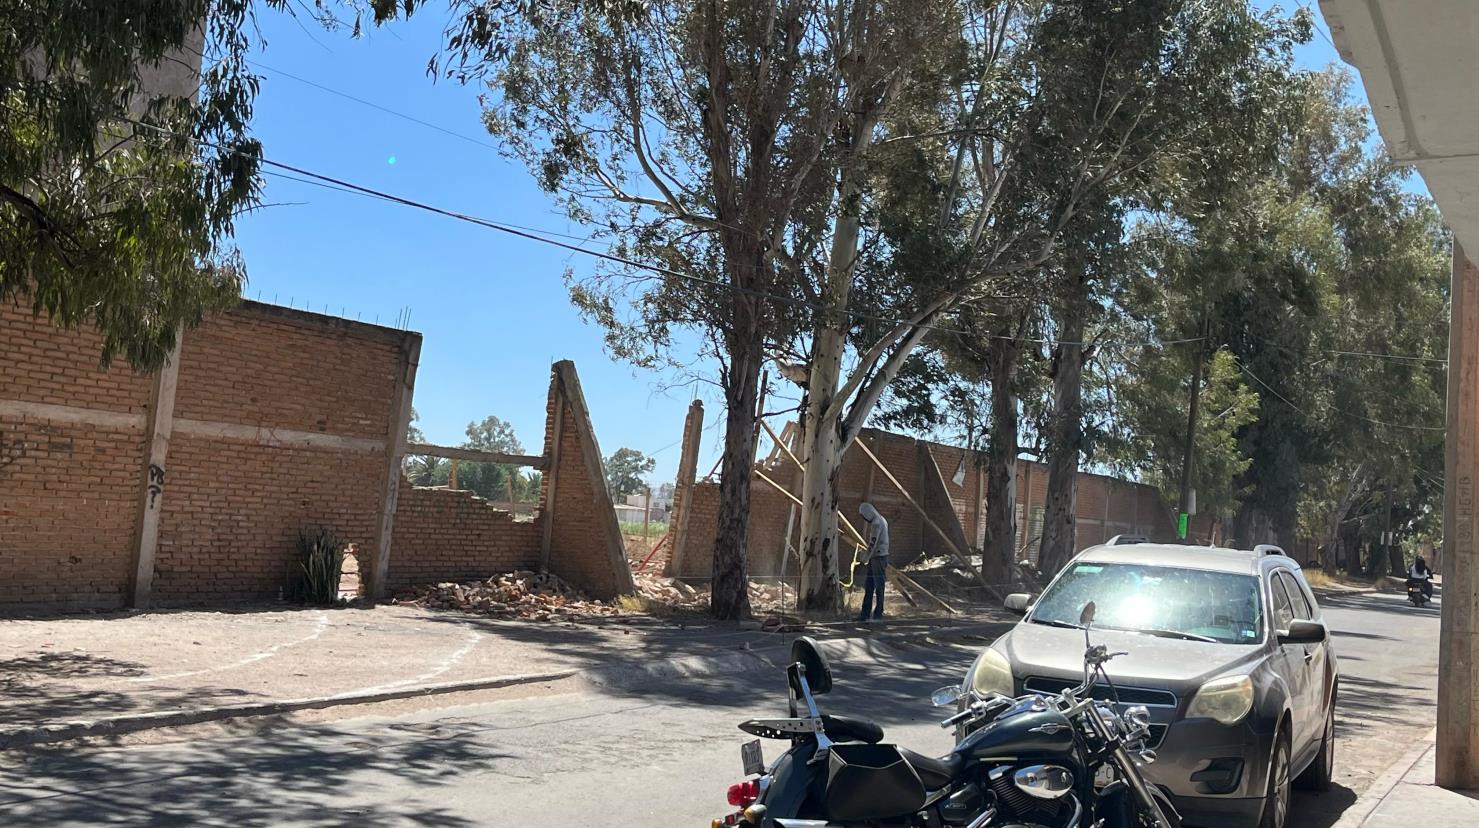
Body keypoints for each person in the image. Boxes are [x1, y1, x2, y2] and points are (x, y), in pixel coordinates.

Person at [858, 502, 890, 622]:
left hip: (878, 556)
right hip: (877, 556)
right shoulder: (882, 519)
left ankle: (877, 614)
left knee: (878, 586)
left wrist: (865, 557)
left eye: (864, 516)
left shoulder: (876, 523)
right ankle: (865, 614)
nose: (864, 519)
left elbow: (873, 543)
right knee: (869, 585)